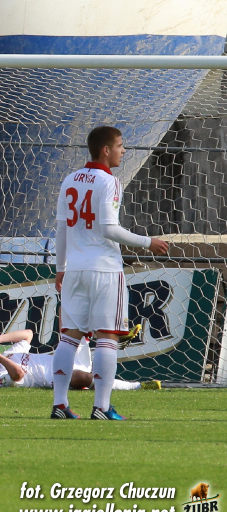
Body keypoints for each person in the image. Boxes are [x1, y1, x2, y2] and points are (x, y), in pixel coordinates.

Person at [52, 126, 169, 420]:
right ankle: (102, 407)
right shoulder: (109, 181)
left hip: (75, 269)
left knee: (69, 338)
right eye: (120, 145)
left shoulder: (69, 180)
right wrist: (148, 242)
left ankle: (60, 405)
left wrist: (60, 268)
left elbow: (62, 229)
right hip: (104, 269)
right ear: (105, 150)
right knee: (107, 338)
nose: (123, 150)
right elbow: (108, 228)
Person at [0, 329, 161, 391]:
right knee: (82, 378)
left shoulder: (8, 356)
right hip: (57, 376)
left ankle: (113, 337)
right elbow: (18, 375)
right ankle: (139, 386)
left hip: (67, 358)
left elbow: (28, 334)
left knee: (67, 321)